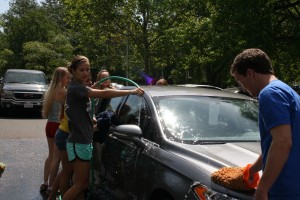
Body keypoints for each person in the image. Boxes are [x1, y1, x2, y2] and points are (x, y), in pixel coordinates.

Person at [63, 55, 144, 200]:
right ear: (73, 71)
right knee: (81, 185)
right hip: (79, 142)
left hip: (81, 140)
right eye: (81, 70)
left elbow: (80, 112)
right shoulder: (76, 88)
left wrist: (92, 121)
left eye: (87, 69)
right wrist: (131, 91)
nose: (86, 73)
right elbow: (105, 93)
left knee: (80, 184)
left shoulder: (78, 88)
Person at [230, 48, 300, 200]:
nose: (243, 88)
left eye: (241, 81)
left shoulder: (269, 94)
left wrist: (262, 189)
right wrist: (253, 169)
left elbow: (282, 143)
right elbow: (275, 142)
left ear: (250, 73)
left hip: (284, 188)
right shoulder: (286, 91)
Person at [40, 67, 70, 194]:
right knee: (57, 158)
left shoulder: (50, 91)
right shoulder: (64, 91)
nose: (68, 79)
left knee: (50, 155)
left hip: (49, 125)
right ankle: (52, 187)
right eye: (67, 77)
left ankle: (45, 182)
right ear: (61, 77)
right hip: (59, 126)